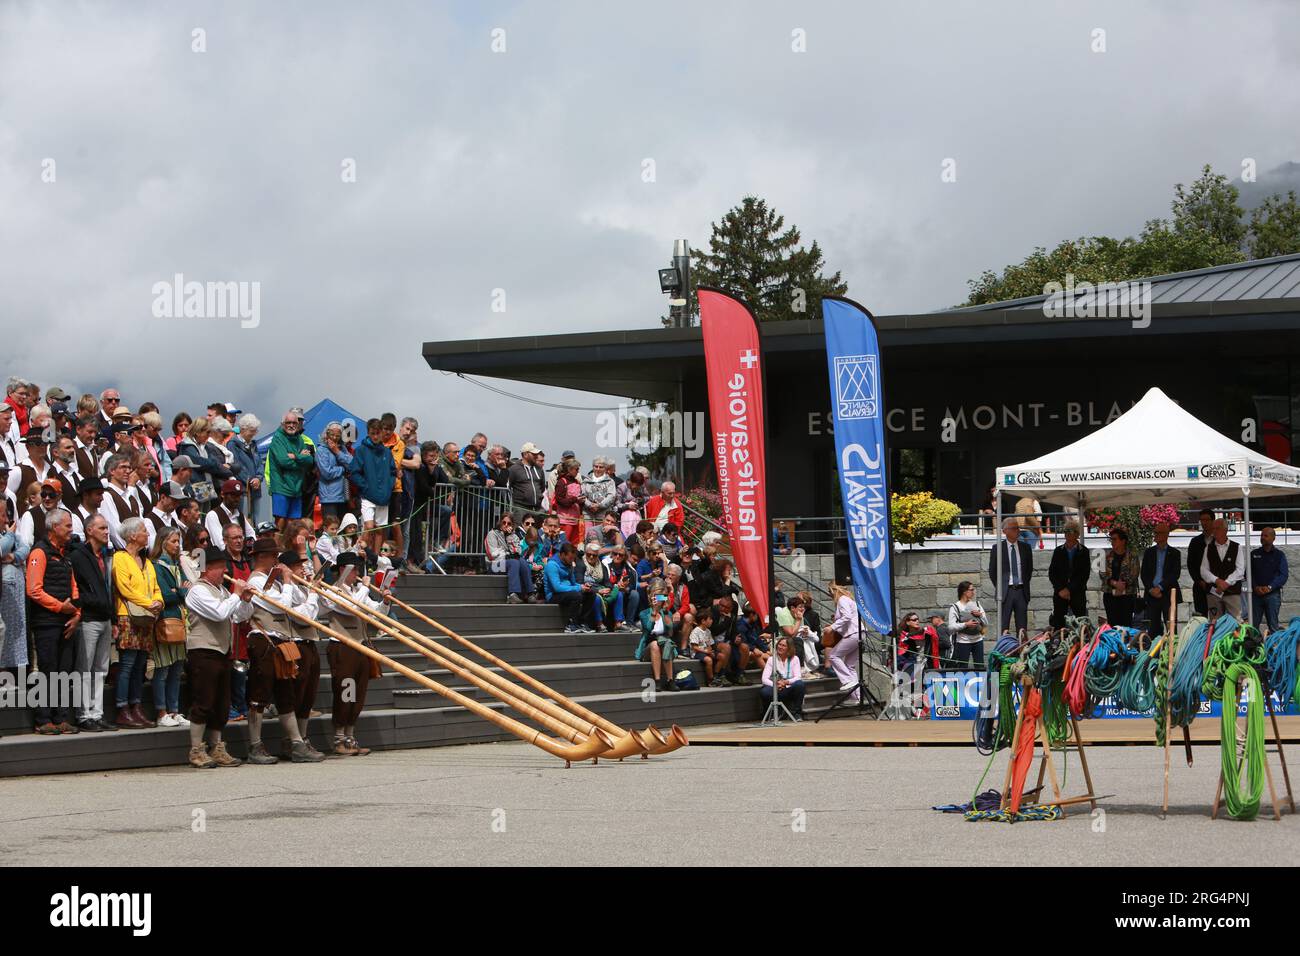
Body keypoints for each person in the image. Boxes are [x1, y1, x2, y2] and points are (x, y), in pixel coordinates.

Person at [244, 540, 327, 763]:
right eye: (273, 557)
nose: (276, 562)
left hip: (281, 640)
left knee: (286, 693)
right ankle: (255, 745)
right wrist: (290, 582)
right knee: (259, 694)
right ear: (263, 557)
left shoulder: (276, 583)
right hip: (263, 640)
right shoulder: (256, 580)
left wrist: (305, 588)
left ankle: (297, 742)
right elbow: (280, 606)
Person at [184, 545, 252, 768]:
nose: (224, 572)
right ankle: (196, 749)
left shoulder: (223, 591)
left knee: (222, 704)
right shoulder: (198, 591)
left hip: (222, 652)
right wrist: (236, 594)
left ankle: (217, 746)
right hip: (203, 651)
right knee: (203, 702)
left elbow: (238, 617)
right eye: (220, 568)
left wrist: (246, 600)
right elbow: (219, 613)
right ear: (207, 569)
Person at [324, 552, 390, 756]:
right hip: (342, 646)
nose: (359, 574)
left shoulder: (356, 590)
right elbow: (352, 608)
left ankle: (350, 736)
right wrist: (364, 587)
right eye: (355, 570)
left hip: (360, 646)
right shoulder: (333, 590)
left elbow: (374, 612)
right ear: (344, 570)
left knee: (358, 694)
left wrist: (385, 602)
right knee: (346, 693)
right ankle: (339, 738)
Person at [26, 509, 81, 734]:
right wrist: (61, 607)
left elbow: (74, 587)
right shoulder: (39, 552)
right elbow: (34, 590)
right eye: (67, 526)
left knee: (63, 671)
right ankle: (43, 720)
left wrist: (77, 614)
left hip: (67, 622)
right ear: (54, 527)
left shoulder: (66, 554)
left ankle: (60, 718)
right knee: (48, 670)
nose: (71, 530)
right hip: (46, 622)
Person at [110, 516, 162, 729]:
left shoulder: (147, 561)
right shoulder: (120, 558)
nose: (147, 534)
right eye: (143, 531)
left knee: (140, 664)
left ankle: (136, 705)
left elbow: (155, 586)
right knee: (128, 663)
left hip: (146, 616)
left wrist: (158, 601)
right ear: (132, 536)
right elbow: (124, 588)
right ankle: (122, 707)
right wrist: (149, 603)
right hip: (128, 616)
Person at [68, 515, 118, 732]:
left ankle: (97, 713)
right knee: (85, 669)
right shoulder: (79, 556)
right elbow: (78, 587)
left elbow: (109, 588)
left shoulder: (106, 555)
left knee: (100, 670)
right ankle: (83, 714)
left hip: (105, 617)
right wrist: (89, 603)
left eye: (107, 528)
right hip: (88, 619)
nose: (107, 532)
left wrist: (113, 618)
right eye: (102, 528)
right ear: (89, 531)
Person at [149, 527, 189, 728]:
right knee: (163, 669)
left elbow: (187, 589)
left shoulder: (177, 564)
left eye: (178, 540)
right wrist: (180, 590)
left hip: (181, 619)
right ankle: (161, 711)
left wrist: (179, 590)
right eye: (173, 541)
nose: (177, 544)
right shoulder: (157, 565)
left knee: (176, 669)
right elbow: (166, 595)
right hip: (166, 619)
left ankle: (174, 710)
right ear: (163, 542)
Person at [348, 418, 396, 553]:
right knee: (368, 527)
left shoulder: (387, 452)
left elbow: (393, 472)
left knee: (380, 529)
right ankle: (363, 556)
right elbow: (354, 472)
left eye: (378, 433)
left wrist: (388, 487)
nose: (375, 436)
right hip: (367, 495)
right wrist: (365, 487)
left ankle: (375, 561)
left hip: (383, 496)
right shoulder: (361, 450)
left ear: (382, 433)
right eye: (372, 433)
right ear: (368, 433)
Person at [265, 410, 315, 530]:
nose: (291, 425)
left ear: (298, 425)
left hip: (296, 487)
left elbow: (310, 461)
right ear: (282, 424)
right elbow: (283, 462)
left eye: (294, 423)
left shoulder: (300, 439)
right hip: (281, 486)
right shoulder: (277, 439)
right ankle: (278, 547)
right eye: (288, 422)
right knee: (280, 520)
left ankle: (289, 547)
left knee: (294, 522)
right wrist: (301, 458)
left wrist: (295, 456)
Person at [988, 517, 1032, 635]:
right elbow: (992, 571)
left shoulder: (1025, 548)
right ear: (1005, 531)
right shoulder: (997, 548)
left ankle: (1022, 650)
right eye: (1013, 528)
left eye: (1018, 528)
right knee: (1004, 626)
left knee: (1022, 627)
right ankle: (1004, 650)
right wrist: (1001, 586)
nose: (1017, 530)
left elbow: (1029, 570)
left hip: (1021, 591)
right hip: (1006, 592)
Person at [0, 506, 29, 674]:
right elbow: (2, 548)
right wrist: (10, 536)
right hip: (4, 589)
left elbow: (24, 548)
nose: (6, 520)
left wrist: (13, 556)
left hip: (13, 591)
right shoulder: (8, 535)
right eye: (3, 515)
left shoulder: (8, 534)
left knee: (10, 632)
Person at [1140, 522, 1182, 639]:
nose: (1156, 535)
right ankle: (1154, 652)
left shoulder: (1174, 553)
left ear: (1166, 535)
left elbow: (1174, 574)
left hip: (1168, 594)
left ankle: (1171, 652)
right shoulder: (1149, 553)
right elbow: (1144, 574)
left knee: (1171, 626)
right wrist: (1151, 589)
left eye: (1159, 533)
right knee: (1153, 628)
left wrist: (1160, 587)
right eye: (1155, 532)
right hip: (1152, 595)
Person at [1047, 520, 1090, 627]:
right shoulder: (1058, 551)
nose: (1066, 534)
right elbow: (1052, 573)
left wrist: (1069, 590)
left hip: (1078, 593)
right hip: (1060, 593)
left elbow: (1084, 575)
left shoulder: (1084, 552)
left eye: (1069, 531)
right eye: (1065, 531)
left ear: (1077, 534)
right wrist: (1061, 589)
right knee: (1058, 623)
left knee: (1080, 623)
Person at [1201, 517, 1247, 620]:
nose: (1214, 531)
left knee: (1236, 622)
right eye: (1213, 528)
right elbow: (1203, 570)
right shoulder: (1209, 548)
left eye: (1217, 528)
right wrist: (1216, 580)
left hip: (1232, 592)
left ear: (1225, 530)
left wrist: (1226, 583)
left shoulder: (1237, 547)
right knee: (1215, 623)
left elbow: (1240, 570)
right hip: (1214, 592)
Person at [636, 582, 679, 692]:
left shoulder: (667, 613)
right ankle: (657, 681)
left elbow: (670, 633)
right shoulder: (644, 613)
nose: (659, 599)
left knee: (667, 642)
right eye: (657, 596)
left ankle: (670, 680)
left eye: (662, 596)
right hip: (649, 648)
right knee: (655, 644)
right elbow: (648, 629)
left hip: (664, 645)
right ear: (651, 597)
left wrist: (665, 611)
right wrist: (654, 611)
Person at [821, 582, 861, 699]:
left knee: (833, 656)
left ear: (834, 590)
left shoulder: (842, 599)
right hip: (858, 633)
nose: (829, 595)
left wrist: (831, 627)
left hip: (853, 634)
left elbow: (847, 616)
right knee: (850, 666)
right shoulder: (848, 600)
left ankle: (847, 681)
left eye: (829, 591)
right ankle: (857, 697)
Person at [543, 542, 592, 633]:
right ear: (562, 554)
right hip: (553, 595)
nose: (572, 561)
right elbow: (557, 587)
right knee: (576, 595)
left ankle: (582, 623)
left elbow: (573, 583)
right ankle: (571, 624)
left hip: (567, 592)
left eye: (573, 559)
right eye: (570, 558)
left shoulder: (569, 565)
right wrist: (578, 588)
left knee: (591, 594)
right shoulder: (552, 565)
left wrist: (582, 586)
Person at [1250, 526, 1289, 634]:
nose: (1263, 537)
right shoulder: (1253, 554)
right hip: (1256, 595)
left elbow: (1283, 575)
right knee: (1253, 627)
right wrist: (1255, 587)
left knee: (1273, 626)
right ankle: (1255, 649)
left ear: (1273, 538)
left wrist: (1270, 587)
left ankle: (1274, 648)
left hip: (1272, 595)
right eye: (1261, 535)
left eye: (1266, 535)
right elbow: (1248, 573)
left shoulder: (1280, 555)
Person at [485, 513, 531, 604]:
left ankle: (529, 593)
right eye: (504, 522)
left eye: (509, 523)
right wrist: (507, 555)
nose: (506, 525)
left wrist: (510, 537)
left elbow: (518, 552)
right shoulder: (492, 534)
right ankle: (512, 594)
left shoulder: (513, 536)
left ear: (512, 525)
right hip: (494, 566)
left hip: (508, 564)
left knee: (522, 561)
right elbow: (492, 554)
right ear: (500, 522)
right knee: (514, 562)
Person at [315, 421, 354, 523]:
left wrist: (337, 452)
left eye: (338, 435)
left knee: (342, 529)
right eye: (332, 434)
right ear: (326, 434)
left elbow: (353, 464)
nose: (334, 438)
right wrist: (343, 469)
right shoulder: (321, 450)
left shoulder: (341, 448)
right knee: (331, 527)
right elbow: (327, 472)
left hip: (343, 496)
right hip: (329, 498)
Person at [580, 541, 624, 632]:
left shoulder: (601, 565)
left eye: (594, 555)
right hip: (588, 590)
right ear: (585, 554)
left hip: (601, 588)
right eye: (589, 554)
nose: (591, 557)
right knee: (596, 597)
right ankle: (599, 624)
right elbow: (580, 582)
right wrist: (597, 591)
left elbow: (607, 581)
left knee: (619, 594)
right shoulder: (580, 564)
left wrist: (607, 588)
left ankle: (618, 623)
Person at [1102, 528, 1140, 627]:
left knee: (1126, 624)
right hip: (1110, 595)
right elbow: (1103, 574)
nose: (1112, 542)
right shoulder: (1107, 556)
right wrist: (1114, 583)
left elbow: (1134, 573)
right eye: (1111, 539)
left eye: (1115, 539)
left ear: (1123, 541)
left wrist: (1123, 585)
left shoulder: (1132, 556)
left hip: (1127, 595)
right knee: (1112, 624)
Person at [761, 636, 806, 719]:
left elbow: (798, 677)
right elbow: (764, 679)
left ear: (789, 648)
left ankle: (796, 713)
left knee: (800, 684)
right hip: (776, 687)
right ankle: (772, 713)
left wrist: (786, 682)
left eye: (783, 646)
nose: (780, 647)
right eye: (779, 645)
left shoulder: (795, 659)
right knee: (765, 691)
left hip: (788, 686)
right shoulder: (771, 659)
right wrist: (776, 684)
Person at [946, 581, 987, 668]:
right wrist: (965, 624)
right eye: (971, 590)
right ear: (964, 591)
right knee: (962, 668)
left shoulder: (977, 604)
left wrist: (980, 615)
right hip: (963, 641)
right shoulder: (955, 607)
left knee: (980, 667)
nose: (973, 592)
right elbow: (950, 627)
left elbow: (986, 623)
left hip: (978, 640)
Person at [205, 478, 255, 545]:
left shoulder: (240, 515)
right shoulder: (213, 515)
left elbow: (251, 535)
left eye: (239, 495)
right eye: (233, 495)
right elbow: (220, 544)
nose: (237, 499)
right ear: (222, 495)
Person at [1185, 508, 1216, 617]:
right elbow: (1191, 564)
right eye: (1202, 520)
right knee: (1201, 617)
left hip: (1216, 586)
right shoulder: (1195, 542)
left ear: (1213, 521)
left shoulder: (1219, 540)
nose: (1204, 523)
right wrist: (1199, 580)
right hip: (1200, 586)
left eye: (1207, 520)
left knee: (1217, 617)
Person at [506, 442, 546, 521]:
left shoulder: (539, 469)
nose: (536, 455)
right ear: (525, 454)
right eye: (533, 453)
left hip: (538, 509)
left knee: (537, 533)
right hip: (521, 509)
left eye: (536, 453)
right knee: (520, 532)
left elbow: (542, 487)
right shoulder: (514, 469)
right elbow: (508, 488)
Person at [687, 605, 724, 686]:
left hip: (706, 651)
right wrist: (706, 651)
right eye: (710, 619)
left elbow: (710, 643)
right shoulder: (696, 631)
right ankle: (710, 680)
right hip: (697, 652)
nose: (712, 621)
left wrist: (710, 651)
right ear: (703, 621)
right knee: (709, 660)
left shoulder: (708, 631)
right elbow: (694, 647)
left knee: (721, 656)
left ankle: (716, 675)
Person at [552, 458, 583, 544]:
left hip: (575, 519)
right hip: (564, 520)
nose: (578, 471)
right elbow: (560, 501)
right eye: (576, 469)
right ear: (570, 469)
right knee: (563, 544)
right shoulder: (562, 482)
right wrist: (575, 499)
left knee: (573, 544)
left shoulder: (576, 481)